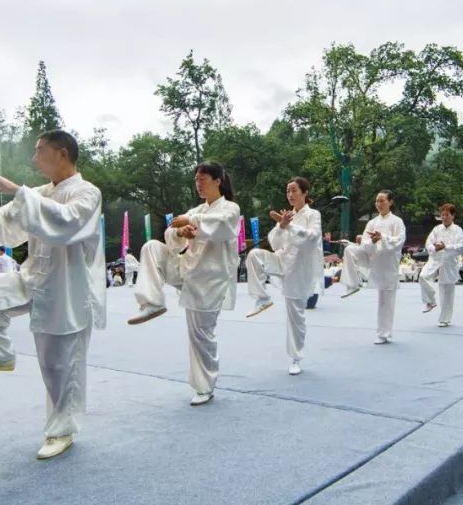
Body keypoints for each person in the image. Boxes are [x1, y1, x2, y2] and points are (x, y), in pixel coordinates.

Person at [0, 130, 106, 460]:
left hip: (66, 289)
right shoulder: (35, 193)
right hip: (31, 278)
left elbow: (67, 224)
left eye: (40, 151)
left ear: (62, 153)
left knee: (59, 367)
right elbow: (0, 228)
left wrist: (18, 192)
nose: (34, 158)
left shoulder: (87, 193)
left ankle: (61, 430)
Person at [130, 161, 240, 406]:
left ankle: (205, 386)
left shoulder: (231, 208)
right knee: (151, 248)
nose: (198, 184)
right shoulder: (197, 209)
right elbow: (170, 236)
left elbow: (221, 226)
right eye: (196, 180)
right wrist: (181, 233)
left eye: (202, 179)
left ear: (217, 181)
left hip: (210, 280)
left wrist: (191, 222)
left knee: (200, 334)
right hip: (186, 269)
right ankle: (152, 302)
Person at [245, 177, 323, 375]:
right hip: (281, 260)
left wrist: (288, 226)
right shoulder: (287, 216)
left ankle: (296, 358)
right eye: (287, 191)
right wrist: (281, 226)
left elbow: (311, 238)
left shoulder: (313, 215)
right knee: (254, 255)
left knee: (295, 315)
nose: (290, 194)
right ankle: (262, 298)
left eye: (294, 190)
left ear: (305, 192)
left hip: (299, 269)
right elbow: (275, 242)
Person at [340, 190, 407, 344]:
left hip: (388, 263)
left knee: (386, 300)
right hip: (373, 257)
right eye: (377, 200)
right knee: (350, 249)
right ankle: (353, 283)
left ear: (390, 202)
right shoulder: (372, 222)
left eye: (382, 200)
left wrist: (382, 238)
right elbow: (365, 243)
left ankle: (384, 333)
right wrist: (370, 241)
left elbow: (399, 241)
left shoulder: (397, 221)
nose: (379, 203)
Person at [419, 204, 463, 327]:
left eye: (447, 215)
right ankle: (430, 301)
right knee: (423, 276)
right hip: (435, 259)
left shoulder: (458, 230)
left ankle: (445, 319)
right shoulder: (436, 229)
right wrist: (434, 247)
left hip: (449, 262)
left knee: (447, 290)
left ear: (453, 215)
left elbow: (460, 247)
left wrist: (446, 247)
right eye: (442, 215)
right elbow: (428, 243)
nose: (444, 217)